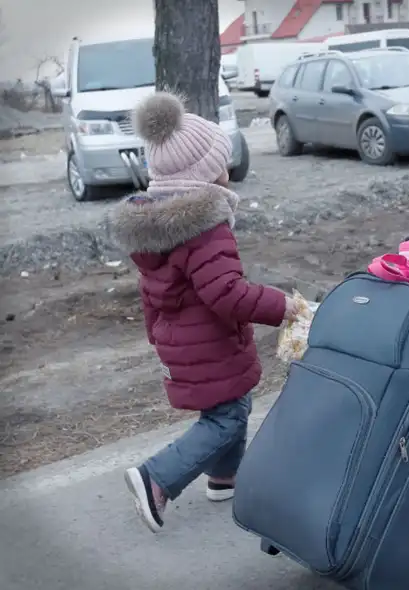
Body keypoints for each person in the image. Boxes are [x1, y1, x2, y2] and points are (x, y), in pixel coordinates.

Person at [107, 91, 305, 533]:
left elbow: (149, 290)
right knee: (227, 417)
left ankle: (224, 477)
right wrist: (283, 307)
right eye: (222, 161)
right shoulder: (205, 230)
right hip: (210, 341)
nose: (228, 168)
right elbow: (228, 294)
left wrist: (157, 336)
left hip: (182, 340)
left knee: (230, 406)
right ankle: (156, 479)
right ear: (205, 175)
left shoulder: (158, 231)